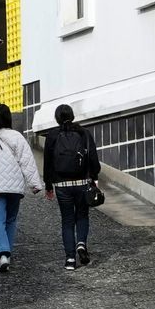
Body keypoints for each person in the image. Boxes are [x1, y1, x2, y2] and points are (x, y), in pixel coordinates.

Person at [0, 102, 45, 274]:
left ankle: (3, 254)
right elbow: (27, 162)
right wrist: (35, 184)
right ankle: (7, 254)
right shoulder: (17, 137)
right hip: (14, 186)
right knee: (11, 220)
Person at [39, 102, 104, 270]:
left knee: (67, 220)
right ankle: (81, 244)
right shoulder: (84, 134)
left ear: (57, 118)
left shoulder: (52, 136)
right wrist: (94, 177)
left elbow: (48, 163)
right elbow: (93, 160)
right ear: (72, 116)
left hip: (62, 185)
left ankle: (70, 260)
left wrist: (48, 185)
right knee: (82, 215)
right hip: (82, 183)